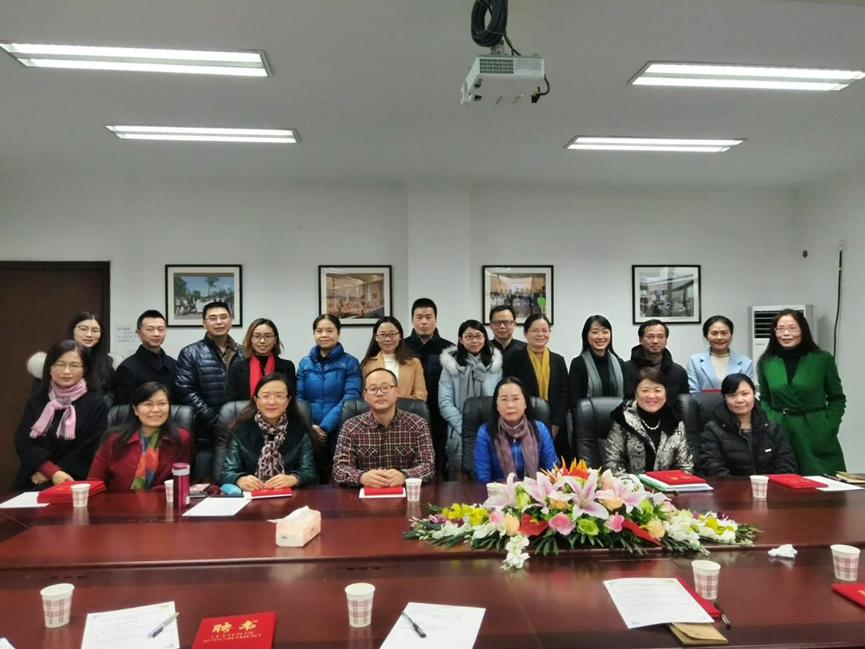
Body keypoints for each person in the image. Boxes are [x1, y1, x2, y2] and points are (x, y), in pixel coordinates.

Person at [757, 309, 846, 474]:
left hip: (815, 428)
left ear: (803, 330)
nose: (786, 333)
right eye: (780, 329)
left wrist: (829, 426)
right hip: (780, 428)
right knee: (782, 480)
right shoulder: (767, 362)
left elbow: (837, 398)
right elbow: (764, 398)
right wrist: (770, 420)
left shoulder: (822, 359)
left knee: (823, 482)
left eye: (792, 328)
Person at [13, 340, 107, 490]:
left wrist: (58, 472)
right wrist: (49, 470)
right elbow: (23, 441)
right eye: (60, 364)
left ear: (85, 369)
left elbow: (91, 446)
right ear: (49, 368)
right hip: (35, 475)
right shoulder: (37, 400)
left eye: (74, 365)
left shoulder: (96, 403)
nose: (66, 371)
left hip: (76, 479)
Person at [332, 368, 435, 487]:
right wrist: (361, 477)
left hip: (405, 493)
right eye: (373, 389)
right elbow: (339, 468)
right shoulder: (351, 427)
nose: (379, 393)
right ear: (365, 395)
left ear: (397, 391)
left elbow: (428, 466)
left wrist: (405, 476)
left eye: (385, 387)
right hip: (365, 494)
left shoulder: (418, 424)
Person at [174, 301, 244, 476]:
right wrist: (216, 421)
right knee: (206, 480)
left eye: (223, 317)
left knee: (239, 479)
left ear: (231, 320)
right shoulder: (190, 353)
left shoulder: (244, 352)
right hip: (205, 432)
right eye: (213, 318)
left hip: (240, 429)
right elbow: (185, 391)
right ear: (204, 323)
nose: (219, 322)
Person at [88, 382, 192, 491]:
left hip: (162, 499)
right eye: (148, 404)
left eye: (162, 404)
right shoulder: (114, 439)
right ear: (136, 410)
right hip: (117, 500)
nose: (156, 409)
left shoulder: (181, 438)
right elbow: (94, 482)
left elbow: (181, 482)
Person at [296, 314, 363, 482]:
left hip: (340, 429)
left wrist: (325, 427)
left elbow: (350, 398)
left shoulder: (350, 362)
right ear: (314, 334)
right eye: (319, 331)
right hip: (310, 430)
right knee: (311, 478)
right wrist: (311, 426)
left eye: (329, 330)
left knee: (339, 477)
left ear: (338, 333)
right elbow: (299, 397)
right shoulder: (305, 363)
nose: (324, 335)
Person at [220, 373, 317, 489]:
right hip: (251, 495)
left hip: (291, 495)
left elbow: (309, 471)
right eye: (265, 396)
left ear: (288, 400)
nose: (272, 402)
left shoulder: (300, 429)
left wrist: (294, 478)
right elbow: (226, 473)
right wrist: (239, 479)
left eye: (279, 396)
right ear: (257, 401)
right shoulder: (241, 430)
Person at [438, 320, 503, 478]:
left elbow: (500, 399)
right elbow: (445, 402)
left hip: (490, 431)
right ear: (461, 340)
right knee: (459, 483)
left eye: (478, 336)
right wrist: (464, 426)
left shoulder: (495, 366)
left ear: (485, 338)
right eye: (469, 336)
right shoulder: (451, 366)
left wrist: (486, 428)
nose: (474, 340)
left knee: (489, 480)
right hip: (459, 430)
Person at [501, 314, 570, 460]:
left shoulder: (558, 360)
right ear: (526, 333)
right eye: (535, 330)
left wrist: (556, 424)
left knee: (554, 466)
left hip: (556, 426)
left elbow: (564, 394)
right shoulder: (513, 359)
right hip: (524, 423)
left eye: (545, 330)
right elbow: (511, 392)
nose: (540, 334)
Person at [700, 373, 796, 476]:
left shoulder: (772, 428)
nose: (739, 400)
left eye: (745, 394)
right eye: (732, 395)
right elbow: (713, 466)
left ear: (754, 394)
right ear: (724, 398)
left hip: (770, 484)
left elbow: (786, 464)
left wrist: (772, 484)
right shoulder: (713, 430)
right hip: (731, 485)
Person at [604, 367, 693, 476]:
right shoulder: (622, 420)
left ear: (665, 393)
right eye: (645, 390)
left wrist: (670, 484)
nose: (651, 396)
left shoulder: (675, 422)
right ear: (636, 394)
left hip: (667, 486)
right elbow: (612, 465)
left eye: (657, 390)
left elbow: (685, 467)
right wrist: (635, 485)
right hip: (631, 485)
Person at [404, 298, 453, 479]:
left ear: (436, 319)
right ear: (412, 320)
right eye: (419, 317)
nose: (424, 322)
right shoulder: (402, 347)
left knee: (439, 458)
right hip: (409, 412)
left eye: (428, 317)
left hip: (440, 413)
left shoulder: (449, 349)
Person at [474, 377, 557, 482]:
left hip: (535, 489)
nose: (510, 405)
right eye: (504, 399)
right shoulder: (485, 432)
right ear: (497, 405)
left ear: (525, 403)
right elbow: (483, 478)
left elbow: (552, 471)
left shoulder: (540, 429)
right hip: (499, 490)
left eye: (515, 399)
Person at [113, 310, 177, 404]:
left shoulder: (173, 364)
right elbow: (124, 407)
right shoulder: (127, 368)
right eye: (150, 329)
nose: (156, 334)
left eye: (160, 329)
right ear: (138, 333)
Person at [225, 318, 296, 401]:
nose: (262, 341)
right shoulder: (237, 368)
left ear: (275, 340)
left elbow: (290, 399)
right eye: (257, 336)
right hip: (246, 409)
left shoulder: (287, 367)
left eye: (268, 336)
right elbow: (233, 402)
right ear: (250, 339)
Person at [360, 317, 427, 400]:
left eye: (392, 334)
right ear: (376, 337)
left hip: (407, 408)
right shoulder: (368, 364)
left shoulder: (414, 363)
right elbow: (365, 396)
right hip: (377, 408)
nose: (388, 339)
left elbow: (421, 396)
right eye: (382, 335)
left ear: (400, 336)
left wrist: (393, 403)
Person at [687, 315, 754, 394]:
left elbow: (747, 393)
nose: (719, 337)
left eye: (724, 333)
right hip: (703, 402)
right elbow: (693, 392)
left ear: (731, 335)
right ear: (706, 336)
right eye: (714, 333)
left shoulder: (746, 362)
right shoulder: (695, 361)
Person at [624, 319, 689, 398]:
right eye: (650, 337)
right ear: (640, 340)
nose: (655, 341)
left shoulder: (679, 372)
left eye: (660, 337)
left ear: (666, 340)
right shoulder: (625, 369)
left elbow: (684, 402)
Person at [568, 315, 626, 402]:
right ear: (586, 336)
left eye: (605, 332)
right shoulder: (578, 364)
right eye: (595, 332)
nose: (600, 337)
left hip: (618, 411)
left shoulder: (620, 363)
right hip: (587, 411)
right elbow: (574, 401)